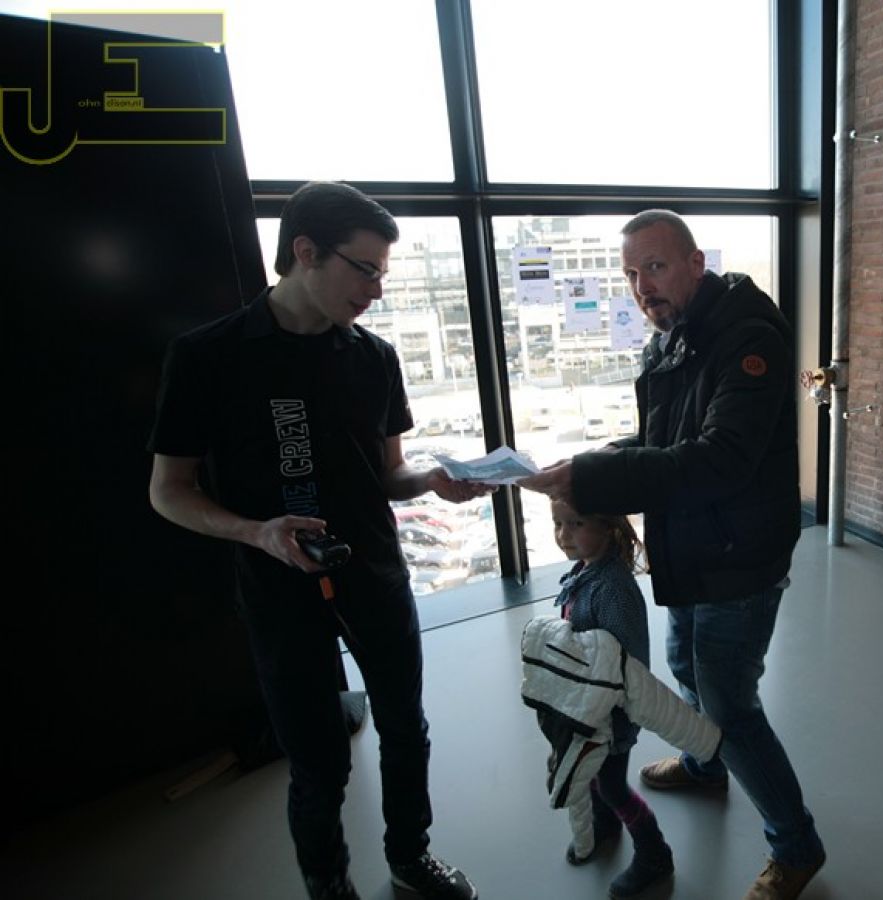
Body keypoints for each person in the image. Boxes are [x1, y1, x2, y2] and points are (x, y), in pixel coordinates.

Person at [147, 181, 489, 900]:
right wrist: (256, 531)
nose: (377, 290)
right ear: (305, 251)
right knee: (317, 760)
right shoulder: (207, 357)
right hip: (278, 589)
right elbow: (168, 489)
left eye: (383, 274)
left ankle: (410, 857)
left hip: (374, 573)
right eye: (365, 269)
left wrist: (433, 479)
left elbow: (389, 473)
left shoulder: (374, 357)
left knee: (406, 729)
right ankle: (329, 885)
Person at [519, 209, 826, 900]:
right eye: (631, 274)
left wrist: (592, 477)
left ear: (695, 263)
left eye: (655, 268)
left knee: (729, 703)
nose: (642, 287)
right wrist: (587, 463)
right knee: (685, 662)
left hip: (737, 554)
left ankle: (797, 846)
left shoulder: (746, 336)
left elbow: (721, 459)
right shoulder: (675, 336)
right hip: (691, 542)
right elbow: (664, 441)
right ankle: (704, 764)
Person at [548, 499, 674, 897]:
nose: (563, 535)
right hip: (586, 706)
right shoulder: (584, 572)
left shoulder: (614, 591)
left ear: (608, 527)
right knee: (591, 774)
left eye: (575, 524)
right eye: (557, 523)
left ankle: (654, 853)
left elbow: (626, 666)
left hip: (612, 713)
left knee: (612, 786)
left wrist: (609, 713)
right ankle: (605, 823)